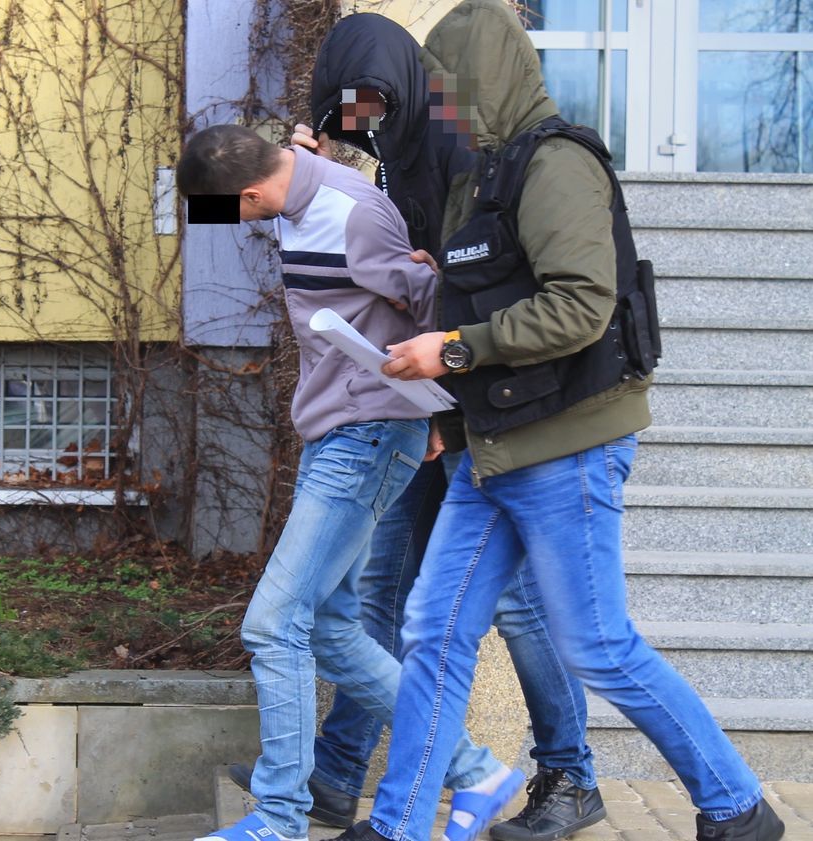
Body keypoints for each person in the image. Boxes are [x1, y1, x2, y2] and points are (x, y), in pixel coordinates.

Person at [350, 3, 786, 841]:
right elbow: (492, 292)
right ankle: (398, 824)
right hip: (494, 449)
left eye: (448, 87)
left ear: (489, 77)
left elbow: (581, 306)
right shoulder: (483, 176)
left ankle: (737, 807)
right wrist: (447, 372)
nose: (440, 106)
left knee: (598, 645)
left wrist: (453, 351)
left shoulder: (557, 163)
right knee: (434, 632)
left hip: (569, 445)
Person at [229, 14, 608, 841]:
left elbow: (482, 287)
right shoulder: (391, 155)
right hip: (417, 399)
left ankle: (570, 773)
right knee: (376, 591)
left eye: (369, 103)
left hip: (479, 397)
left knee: (512, 600)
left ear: (407, 86)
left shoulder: (466, 150)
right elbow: (360, 255)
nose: (358, 118)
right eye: (344, 107)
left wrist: (451, 394)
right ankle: (338, 773)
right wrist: (306, 164)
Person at [175, 124, 523, 841]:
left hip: (366, 435)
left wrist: (435, 411)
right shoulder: (294, 195)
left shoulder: (351, 211)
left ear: (252, 194)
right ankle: (476, 769)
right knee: (332, 630)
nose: (228, 224)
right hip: (338, 429)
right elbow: (281, 192)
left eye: (230, 210)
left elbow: (436, 308)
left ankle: (279, 818)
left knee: (272, 623)